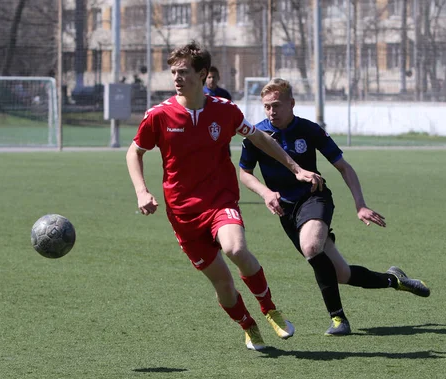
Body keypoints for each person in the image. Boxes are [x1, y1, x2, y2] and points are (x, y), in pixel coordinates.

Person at [126, 43, 324, 350]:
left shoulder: (224, 110)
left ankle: (269, 308)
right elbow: (134, 152)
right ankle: (248, 325)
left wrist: (295, 167)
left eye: (184, 72)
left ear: (203, 74)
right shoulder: (159, 115)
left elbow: (259, 138)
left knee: (235, 249)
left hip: (220, 201)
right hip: (182, 214)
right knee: (223, 283)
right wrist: (142, 191)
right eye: (173, 72)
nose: (176, 78)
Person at [238, 78, 430, 336]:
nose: (272, 112)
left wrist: (360, 205)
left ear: (291, 104)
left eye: (277, 105)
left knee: (310, 247)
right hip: (286, 211)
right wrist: (265, 192)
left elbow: (343, 167)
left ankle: (339, 319)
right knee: (341, 273)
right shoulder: (257, 135)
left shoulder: (309, 129)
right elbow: (245, 173)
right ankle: (394, 280)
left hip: (314, 198)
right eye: (267, 107)